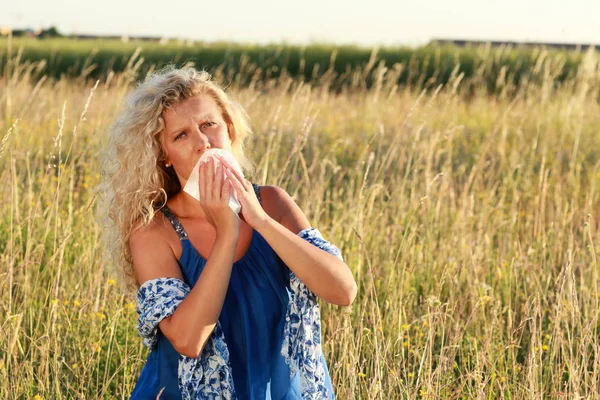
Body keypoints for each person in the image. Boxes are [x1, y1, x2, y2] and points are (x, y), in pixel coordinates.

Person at [100, 66, 357, 399]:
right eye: (182, 135)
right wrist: (227, 233)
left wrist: (261, 220)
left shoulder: (274, 203)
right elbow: (189, 340)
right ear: (163, 155)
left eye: (209, 125)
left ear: (229, 129)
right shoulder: (153, 231)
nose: (203, 143)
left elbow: (343, 290)